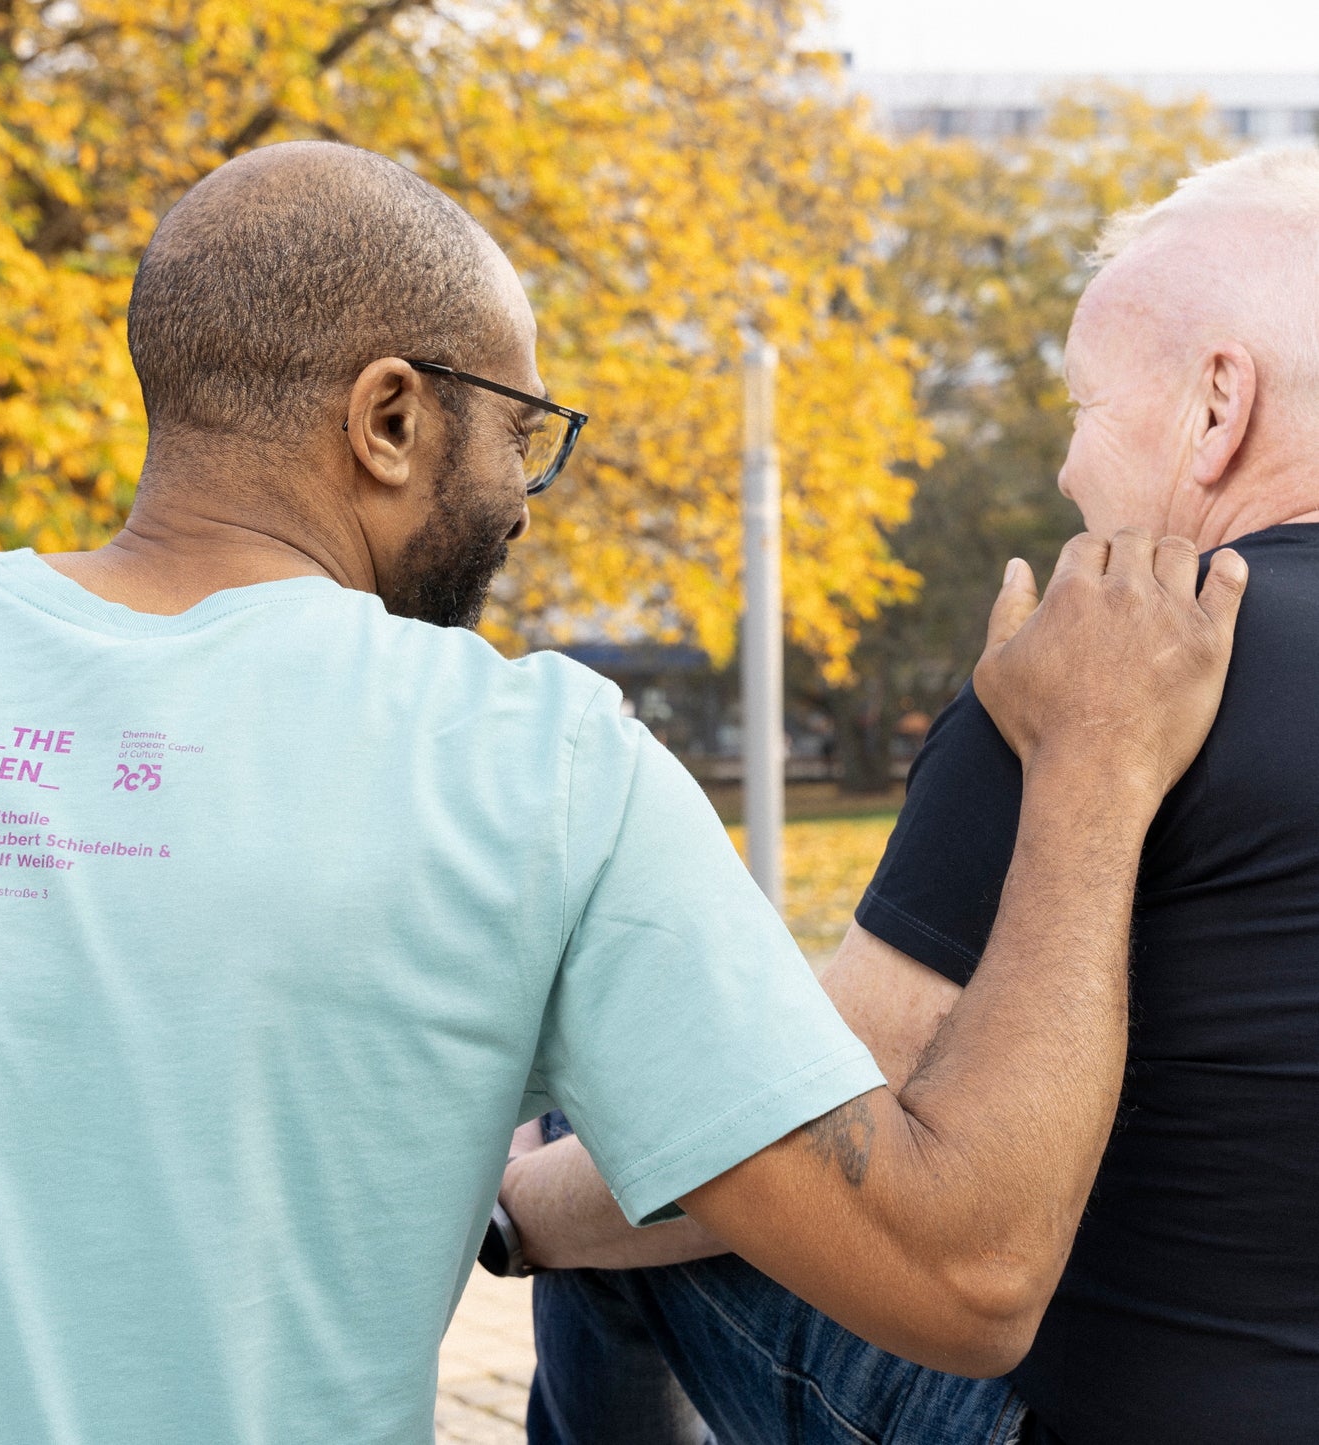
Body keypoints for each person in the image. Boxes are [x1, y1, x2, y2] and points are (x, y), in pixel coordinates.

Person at [0, 140, 1243, 1445]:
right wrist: (1093, 767)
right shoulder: (532, 767)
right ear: (391, 418)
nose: (525, 495)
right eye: (518, 429)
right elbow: (966, 1272)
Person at [506, 147, 1319, 1445]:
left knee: (626, 1132)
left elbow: (803, 1103)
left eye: (1081, 406)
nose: (1065, 471)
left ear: (1215, 406)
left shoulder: (1099, 677)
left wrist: (513, 1217)